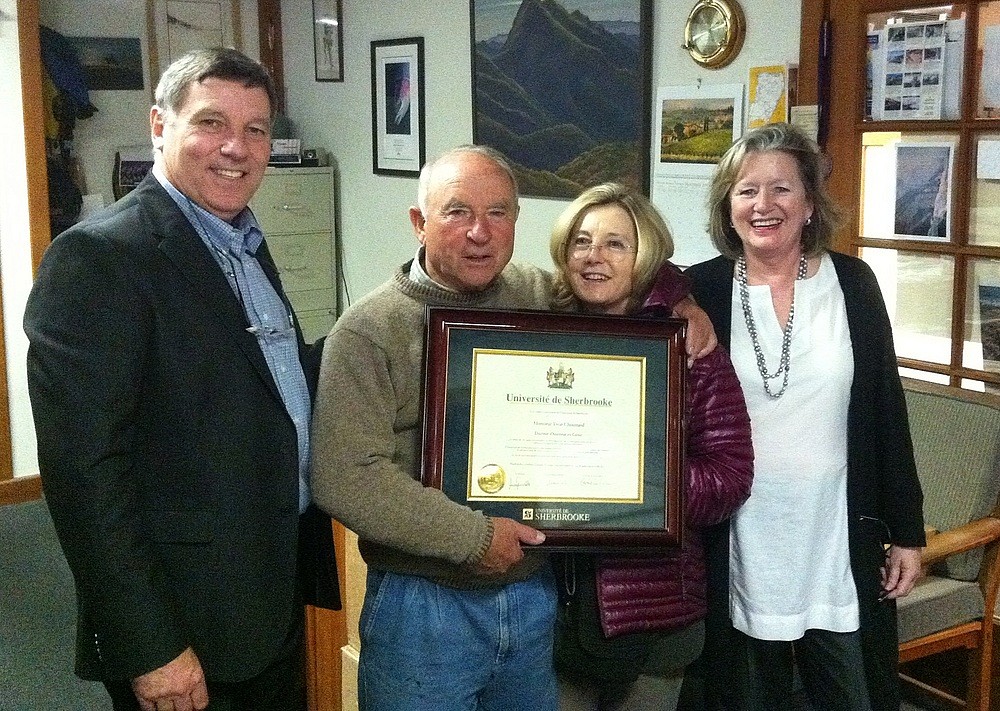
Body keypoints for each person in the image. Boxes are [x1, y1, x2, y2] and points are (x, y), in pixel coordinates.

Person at [309, 145, 717, 711]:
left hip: (533, 596)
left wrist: (682, 300)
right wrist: (474, 537)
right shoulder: (367, 330)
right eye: (457, 212)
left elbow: (621, 270)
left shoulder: (537, 294)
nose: (480, 231)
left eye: (498, 213)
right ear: (418, 222)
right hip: (424, 604)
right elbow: (344, 476)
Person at [24, 47, 337, 711]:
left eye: (257, 130)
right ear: (159, 126)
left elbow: (263, 382)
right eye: (211, 123)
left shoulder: (241, 240)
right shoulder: (99, 258)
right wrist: (149, 646)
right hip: (184, 624)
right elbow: (86, 477)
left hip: (267, 595)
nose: (237, 147)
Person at [678, 123, 925, 711]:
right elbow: (637, 278)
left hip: (835, 533)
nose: (764, 206)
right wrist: (680, 298)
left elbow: (887, 409)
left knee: (853, 694)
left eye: (782, 189)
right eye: (746, 191)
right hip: (737, 537)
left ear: (810, 203)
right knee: (740, 697)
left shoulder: (856, 284)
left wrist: (908, 531)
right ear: (727, 206)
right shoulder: (700, 288)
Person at [548, 183, 754, 710]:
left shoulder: (687, 345)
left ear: (645, 258)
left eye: (617, 244)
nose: (594, 256)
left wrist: (635, 479)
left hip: (657, 617)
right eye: (582, 241)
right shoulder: (538, 329)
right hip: (553, 615)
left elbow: (730, 477)